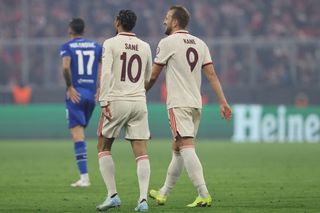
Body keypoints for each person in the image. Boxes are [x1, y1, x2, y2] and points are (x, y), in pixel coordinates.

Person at [145, 5, 232, 207]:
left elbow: (153, 75)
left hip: (178, 103)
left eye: (167, 18)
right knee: (177, 148)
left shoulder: (167, 42)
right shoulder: (200, 43)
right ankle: (163, 192)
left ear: (175, 22)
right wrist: (223, 101)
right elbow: (211, 75)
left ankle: (203, 192)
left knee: (186, 147)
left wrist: (140, 92)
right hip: (195, 103)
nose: (164, 21)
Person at [96, 10, 152, 212]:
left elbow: (107, 73)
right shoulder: (145, 46)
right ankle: (143, 200)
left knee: (103, 145)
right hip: (139, 101)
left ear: (117, 22)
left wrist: (104, 100)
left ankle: (113, 195)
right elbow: (147, 77)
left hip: (117, 100)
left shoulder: (110, 43)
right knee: (141, 151)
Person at [60, 18, 102, 187]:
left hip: (75, 95)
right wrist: (100, 89)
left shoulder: (67, 46)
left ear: (70, 31)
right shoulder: (97, 46)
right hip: (91, 96)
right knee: (81, 134)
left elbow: (65, 67)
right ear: (84, 31)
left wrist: (69, 87)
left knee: (77, 136)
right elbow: (103, 68)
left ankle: (84, 178)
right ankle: (85, 176)